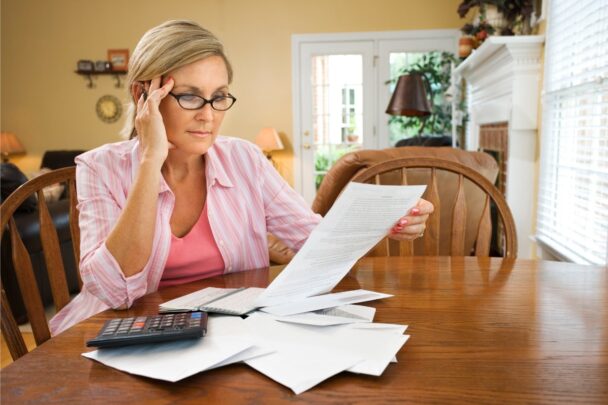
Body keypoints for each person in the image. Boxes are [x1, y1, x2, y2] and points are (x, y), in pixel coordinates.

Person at [49, 20, 433, 335]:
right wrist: (151, 159)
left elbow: (313, 240)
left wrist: (385, 221)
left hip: (230, 334)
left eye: (219, 96)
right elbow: (113, 291)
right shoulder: (99, 169)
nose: (209, 115)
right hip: (127, 333)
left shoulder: (245, 158)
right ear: (143, 95)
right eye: (190, 96)